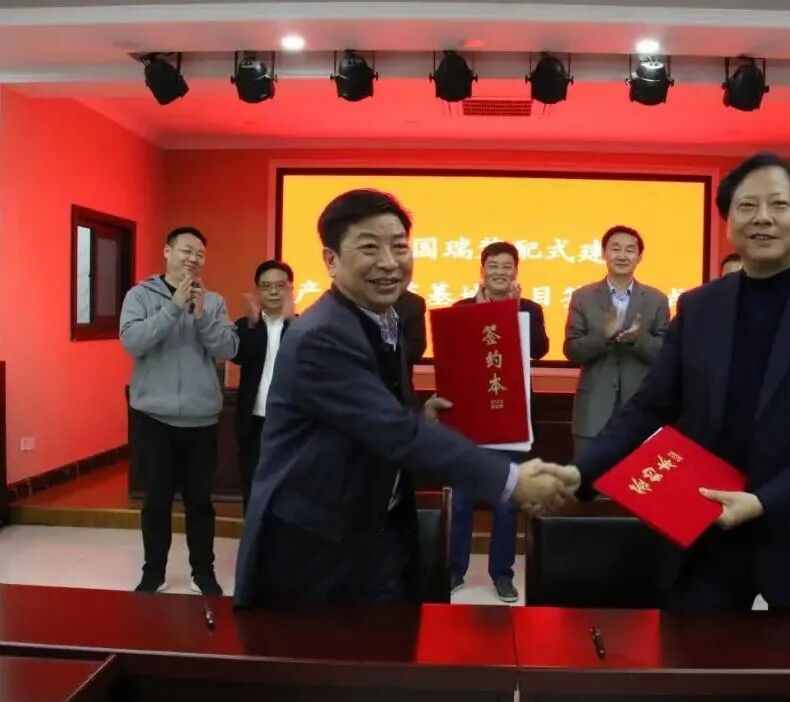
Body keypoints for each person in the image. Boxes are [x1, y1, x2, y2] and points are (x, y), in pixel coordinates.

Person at [563, 152, 790, 612]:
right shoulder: (699, 306)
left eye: (778, 205)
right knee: (694, 655)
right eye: (746, 206)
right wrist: (580, 473)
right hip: (704, 526)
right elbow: (651, 406)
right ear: (729, 221)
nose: (762, 218)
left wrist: (764, 501)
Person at [233, 189, 577, 608]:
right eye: (369, 248)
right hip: (317, 545)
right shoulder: (323, 335)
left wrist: (420, 415)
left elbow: (374, 414)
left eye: (399, 247)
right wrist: (511, 480)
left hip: (375, 527)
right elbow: (395, 431)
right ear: (330, 260)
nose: (389, 263)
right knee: (330, 648)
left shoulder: (383, 317)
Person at [120, 226, 238, 596]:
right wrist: (173, 308)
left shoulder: (213, 301)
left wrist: (201, 316)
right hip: (154, 418)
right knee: (156, 501)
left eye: (200, 254)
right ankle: (153, 572)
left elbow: (228, 348)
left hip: (202, 420)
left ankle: (203, 573)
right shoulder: (140, 295)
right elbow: (133, 341)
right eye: (186, 250)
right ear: (167, 251)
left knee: (200, 502)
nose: (193, 258)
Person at [449, 241, 549, 602]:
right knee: (462, 497)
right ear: (482, 270)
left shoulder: (529, 309)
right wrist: (479, 315)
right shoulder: (461, 309)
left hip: (511, 416)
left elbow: (540, 349)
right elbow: (453, 352)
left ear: (516, 272)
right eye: (493, 266)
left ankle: (502, 575)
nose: (500, 272)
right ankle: (454, 570)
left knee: (507, 500)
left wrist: (514, 311)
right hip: (471, 416)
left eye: (507, 266)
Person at [563, 226, 670, 456]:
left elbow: (666, 354)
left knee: (638, 477)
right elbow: (572, 350)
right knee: (588, 476)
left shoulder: (657, 299)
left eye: (630, 250)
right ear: (604, 253)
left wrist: (638, 339)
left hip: (641, 409)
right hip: (593, 410)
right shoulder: (583, 297)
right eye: (615, 249)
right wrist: (603, 336)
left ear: (639, 257)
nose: (622, 255)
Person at [233, 260, 295, 514]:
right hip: (254, 422)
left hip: (291, 422)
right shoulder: (245, 325)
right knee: (254, 486)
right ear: (257, 291)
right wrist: (251, 325)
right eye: (266, 286)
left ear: (290, 289)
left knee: (290, 490)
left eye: (280, 286)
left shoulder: (303, 327)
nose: (273, 292)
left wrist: (292, 321)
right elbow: (239, 357)